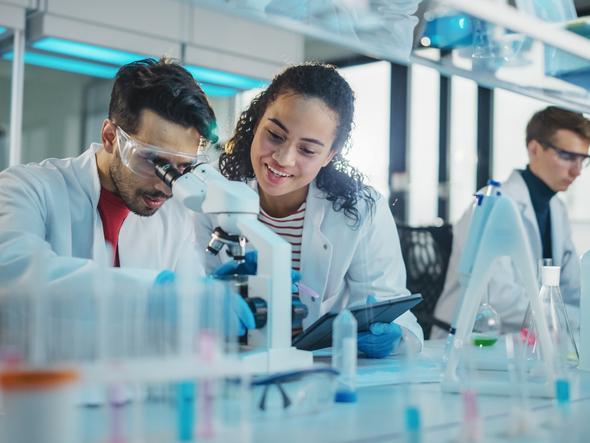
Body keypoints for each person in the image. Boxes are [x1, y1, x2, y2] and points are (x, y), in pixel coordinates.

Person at [0, 57, 254, 335]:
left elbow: (182, 320)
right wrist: (156, 293)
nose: (166, 185)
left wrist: (218, 296)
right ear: (110, 136)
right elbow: (14, 277)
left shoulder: (176, 216)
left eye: (183, 167)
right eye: (153, 161)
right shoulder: (26, 189)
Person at [195, 63, 424, 358]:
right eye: (275, 135)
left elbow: (393, 309)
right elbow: (182, 295)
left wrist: (394, 338)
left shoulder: (361, 210)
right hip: (230, 364)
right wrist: (205, 298)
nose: (283, 158)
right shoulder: (208, 191)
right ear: (257, 121)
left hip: (321, 371)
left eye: (307, 150)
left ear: (330, 154)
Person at [432, 106, 590, 339]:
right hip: (469, 342)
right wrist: (576, 317)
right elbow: (499, 298)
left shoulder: (557, 209)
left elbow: (571, 287)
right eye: (567, 156)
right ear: (534, 149)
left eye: (583, 159)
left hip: (524, 342)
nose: (577, 171)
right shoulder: (493, 202)